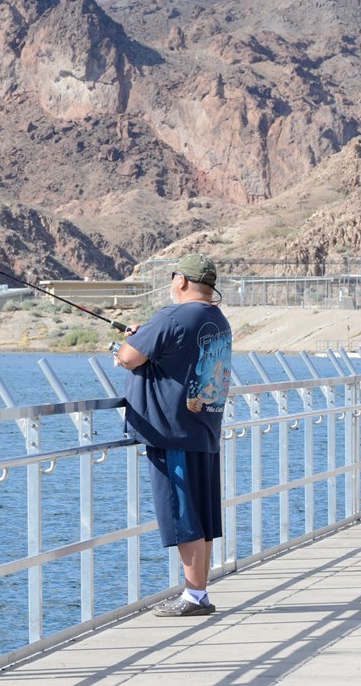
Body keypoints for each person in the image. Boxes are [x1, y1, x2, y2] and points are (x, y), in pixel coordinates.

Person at [113, 253, 232, 617]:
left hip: (172, 431)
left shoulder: (173, 316)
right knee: (201, 514)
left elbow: (127, 357)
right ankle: (199, 593)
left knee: (184, 515)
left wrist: (131, 342)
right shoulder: (217, 319)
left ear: (181, 280)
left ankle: (195, 597)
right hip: (203, 428)